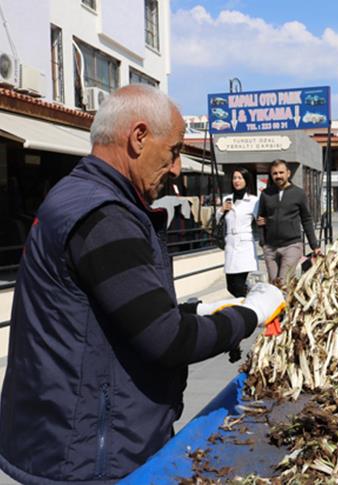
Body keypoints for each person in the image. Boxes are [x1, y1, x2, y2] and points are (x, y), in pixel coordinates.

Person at [0, 85, 285, 483]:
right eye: (173, 150)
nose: (177, 168)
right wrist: (250, 314)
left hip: (56, 438)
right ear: (138, 137)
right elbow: (167, 339)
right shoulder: (104, 217)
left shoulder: (72, 195)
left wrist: (196, 311)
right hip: (89, 456)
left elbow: (106, 312)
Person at [256, 160, 321, 285]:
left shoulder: (299, 193)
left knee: (283, 283)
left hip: (292, 245)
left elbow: (306, 219)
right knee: (273, 285)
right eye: (275, 173)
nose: (278, 176)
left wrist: (315, 246)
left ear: (288, 173)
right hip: (270, 247)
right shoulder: (265, 194)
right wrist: (263, 242)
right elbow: (260, 218)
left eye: (281, 172)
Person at [218, 168, 259, 297]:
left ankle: (247, 308)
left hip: (244, 245)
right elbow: (216, 220)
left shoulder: (253, 201)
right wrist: (221, 210)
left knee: (239, 285)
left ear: (246, 180)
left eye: (240, 178)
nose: (236, 181)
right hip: (230, 243)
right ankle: (252, 298)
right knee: (230, 286)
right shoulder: (227, 199)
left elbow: (260, 220)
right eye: (234, 178)